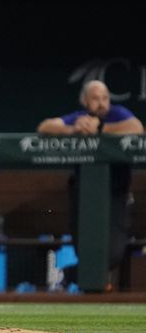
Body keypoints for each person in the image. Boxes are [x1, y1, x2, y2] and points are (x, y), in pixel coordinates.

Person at [37, 80, 142, 292]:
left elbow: (137, 128)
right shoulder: (79, 118)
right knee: (86, 252)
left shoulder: (117, 114)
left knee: (112, 254)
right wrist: (73, 129)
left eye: (105, 98)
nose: (102, 103)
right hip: (85, 195)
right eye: (95, 98)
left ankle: (68, 274)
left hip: (115, 193)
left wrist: (101, 128)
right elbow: (44, 127)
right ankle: (90, 292)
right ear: (85, 101)